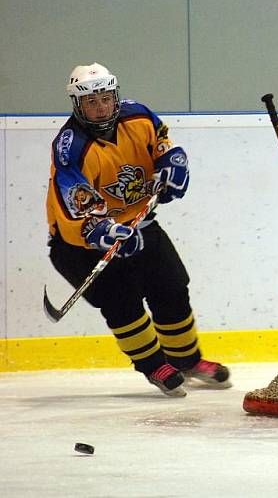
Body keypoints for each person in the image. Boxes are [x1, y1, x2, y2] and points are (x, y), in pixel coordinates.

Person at [47, 63, 231, 397]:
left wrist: (173, 163)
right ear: (78, 105)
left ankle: (186, 361)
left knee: (173, 288)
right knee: (123, 303)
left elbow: (163, 146)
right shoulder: (70, 146)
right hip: (80, 245)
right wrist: (101, 231)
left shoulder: (139, 116)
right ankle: (154, 366)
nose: (101, 107)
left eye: (105, 98)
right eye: (91, 102)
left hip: (140, 224)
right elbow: (76, 204)